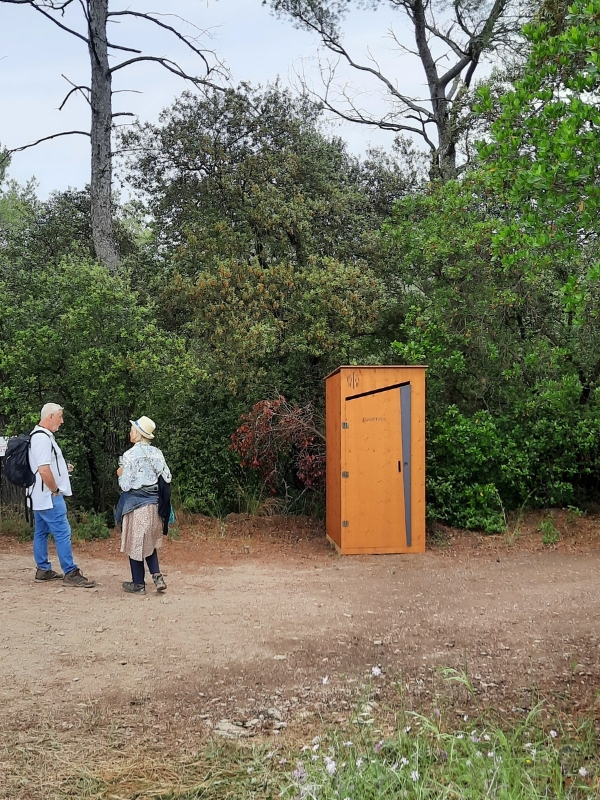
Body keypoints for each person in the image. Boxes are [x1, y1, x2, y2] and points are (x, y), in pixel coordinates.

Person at [28, 403, 96, 588]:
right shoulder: (42, 439)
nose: (62, 421)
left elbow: (45, 465)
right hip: (48, 496)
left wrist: (63, 469)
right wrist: (55, 490)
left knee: (41, 532)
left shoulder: (39, 436)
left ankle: (43, 569)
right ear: (50, 416)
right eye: (60, 417)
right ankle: (70, 572)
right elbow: (43, 470)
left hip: (38, 496)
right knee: (63, 532)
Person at [115, 416, 171, 595]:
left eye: (132, 430)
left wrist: (120, 473)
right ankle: (157, 576)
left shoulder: (129, 455)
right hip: (155, 505)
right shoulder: (157, 453)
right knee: (148, 542)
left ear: (138, 435)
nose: (130, 432)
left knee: (135, 543)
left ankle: (138, 583)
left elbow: (124, 485)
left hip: (136, 506)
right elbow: (167, 477)